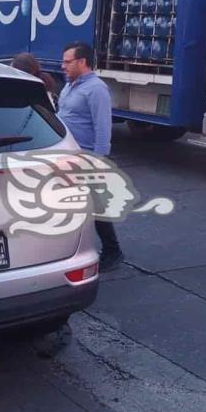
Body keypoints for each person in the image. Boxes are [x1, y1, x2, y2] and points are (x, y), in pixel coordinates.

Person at [56, 41, 122, 272]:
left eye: (67, 61)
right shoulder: (69, 86)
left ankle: (112, 252)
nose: (63, 66)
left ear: (82, 62)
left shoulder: (96, 89)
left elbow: (103, 128)